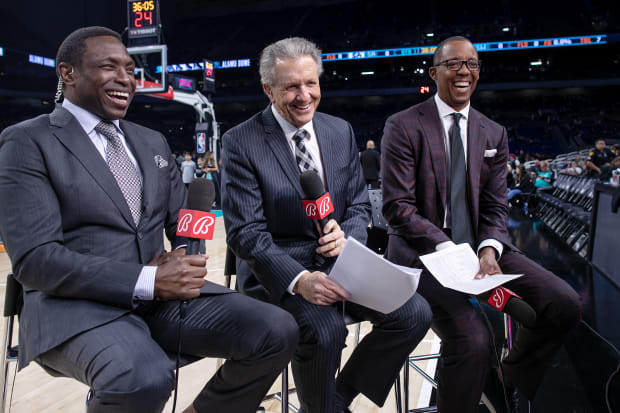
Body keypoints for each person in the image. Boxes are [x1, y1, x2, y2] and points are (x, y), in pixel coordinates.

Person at [0, 27, 298, 413]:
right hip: (74, 306)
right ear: (67, 73)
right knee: (144, 377)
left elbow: (183, 220)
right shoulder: (27, 141)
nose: (126, 78)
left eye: (129, 69)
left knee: (276, 329)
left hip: (159, 298)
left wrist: (186, 260)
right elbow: (35, 261)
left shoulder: (151, 141)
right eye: (109, 67)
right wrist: (148, 279)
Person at [221, 37, 431, 413]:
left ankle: (337, 399)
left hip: (339, 262)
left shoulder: (339, 130)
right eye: (291, 87)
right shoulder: (241, 141)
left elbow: (356, 205)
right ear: (268, 89)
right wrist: (300, 280)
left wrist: (345, 235)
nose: (304, 96)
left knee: (414, 312)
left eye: (311, 83)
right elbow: (245, 234)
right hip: (279, 271)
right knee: (325, 330)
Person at [380, 36, 581, 413]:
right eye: (454, 64)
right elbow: (398, 207)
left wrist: (489, 249)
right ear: (433, 72)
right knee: (473, 340)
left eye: (472, 64)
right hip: (423, 255)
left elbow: (494, 206)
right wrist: (448, 248)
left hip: (478, 251)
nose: (464, 72)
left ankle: (507, 379)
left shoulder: (493, 132)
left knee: (564, 304)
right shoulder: (403, 125)